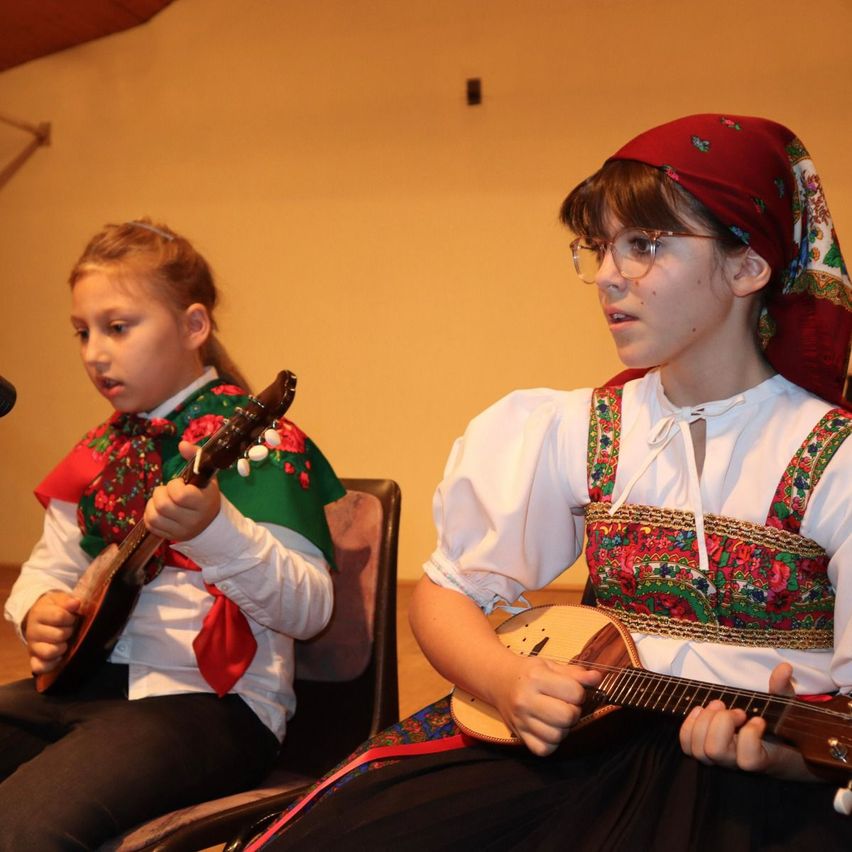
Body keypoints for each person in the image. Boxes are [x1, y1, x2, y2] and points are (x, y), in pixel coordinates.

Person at [252, 115, 851, 851]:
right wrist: (505, 680)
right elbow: (448, 593)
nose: (608, 275)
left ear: (746, 267)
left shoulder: (834, 459)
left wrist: (787, 758)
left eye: (644, 245)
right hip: (586, 743)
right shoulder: (579, 428)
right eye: (600, 247)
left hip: (762, 790)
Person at [0, 219, 345, 849]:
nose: (94, 353)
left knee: (19, 829)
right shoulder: (99, 451)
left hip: (213, 706)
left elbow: (310, 609)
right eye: (82, 331)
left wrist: (215, 530)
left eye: (118, 327)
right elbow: (46, 569)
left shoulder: (260, 446)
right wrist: (36, 611)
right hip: (87, 687)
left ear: (194, 326)